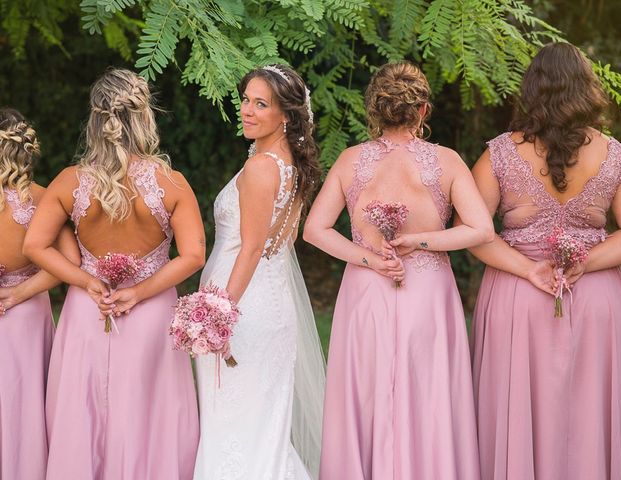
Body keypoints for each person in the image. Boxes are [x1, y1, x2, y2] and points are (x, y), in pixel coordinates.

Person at [304, 62, 493, 480]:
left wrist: (369, 258)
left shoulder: (351, 160)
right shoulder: (446, 161)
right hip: (427, 290)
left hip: (366, 288)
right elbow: (480, 229)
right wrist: (420, 241)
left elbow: (315, 230)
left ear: (373, 109)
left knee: (367, 390)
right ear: (423, 110)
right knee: (427, 391)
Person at [466, 42, 621, 480]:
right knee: (587, 412)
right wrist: (587, 262)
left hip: (519, 295)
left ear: (532, 90)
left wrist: (528, 268)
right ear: (587, 89)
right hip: (596, 299)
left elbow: (473, 233)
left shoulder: (500, 154)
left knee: (520, 407)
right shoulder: (616, 156)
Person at [23, 69, 205, 480]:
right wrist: (138, 293)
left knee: (82, 412)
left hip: (88, 311)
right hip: (151, 313)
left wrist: (85, 279)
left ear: (94, 120)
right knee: (149, 411)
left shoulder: (70, 182)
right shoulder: (172, 183)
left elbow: (35, 246)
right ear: (145, 117)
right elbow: (192, 255)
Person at [193, 64, 326, 480]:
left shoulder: (261, 167)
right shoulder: (289, 164)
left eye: (260, 104)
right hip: (271, 302)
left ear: (285, 115)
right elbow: (278, 244)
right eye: (245, 100)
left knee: (234, 423)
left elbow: (251, 248)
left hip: (243, 309)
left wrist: (219, 314)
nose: (247, 111)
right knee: (262, 427)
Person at [0, 108, 79, 480]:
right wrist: (19, 294)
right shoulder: (44, 199)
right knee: (24, 403)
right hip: (26, 313)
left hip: (20, 312)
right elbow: (70, 262)